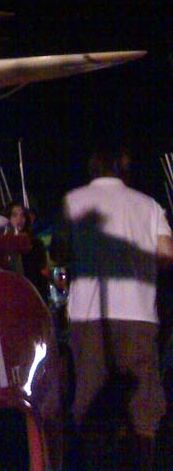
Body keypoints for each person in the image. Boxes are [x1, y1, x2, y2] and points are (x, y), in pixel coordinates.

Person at [50, 144, 173, 471]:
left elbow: (59, 252)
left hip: (89, 315)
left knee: (92, 401)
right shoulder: (149, 205)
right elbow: (166, 254)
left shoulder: (72, 201)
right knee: (141, 405)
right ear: (125, 171)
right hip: (138, 314)